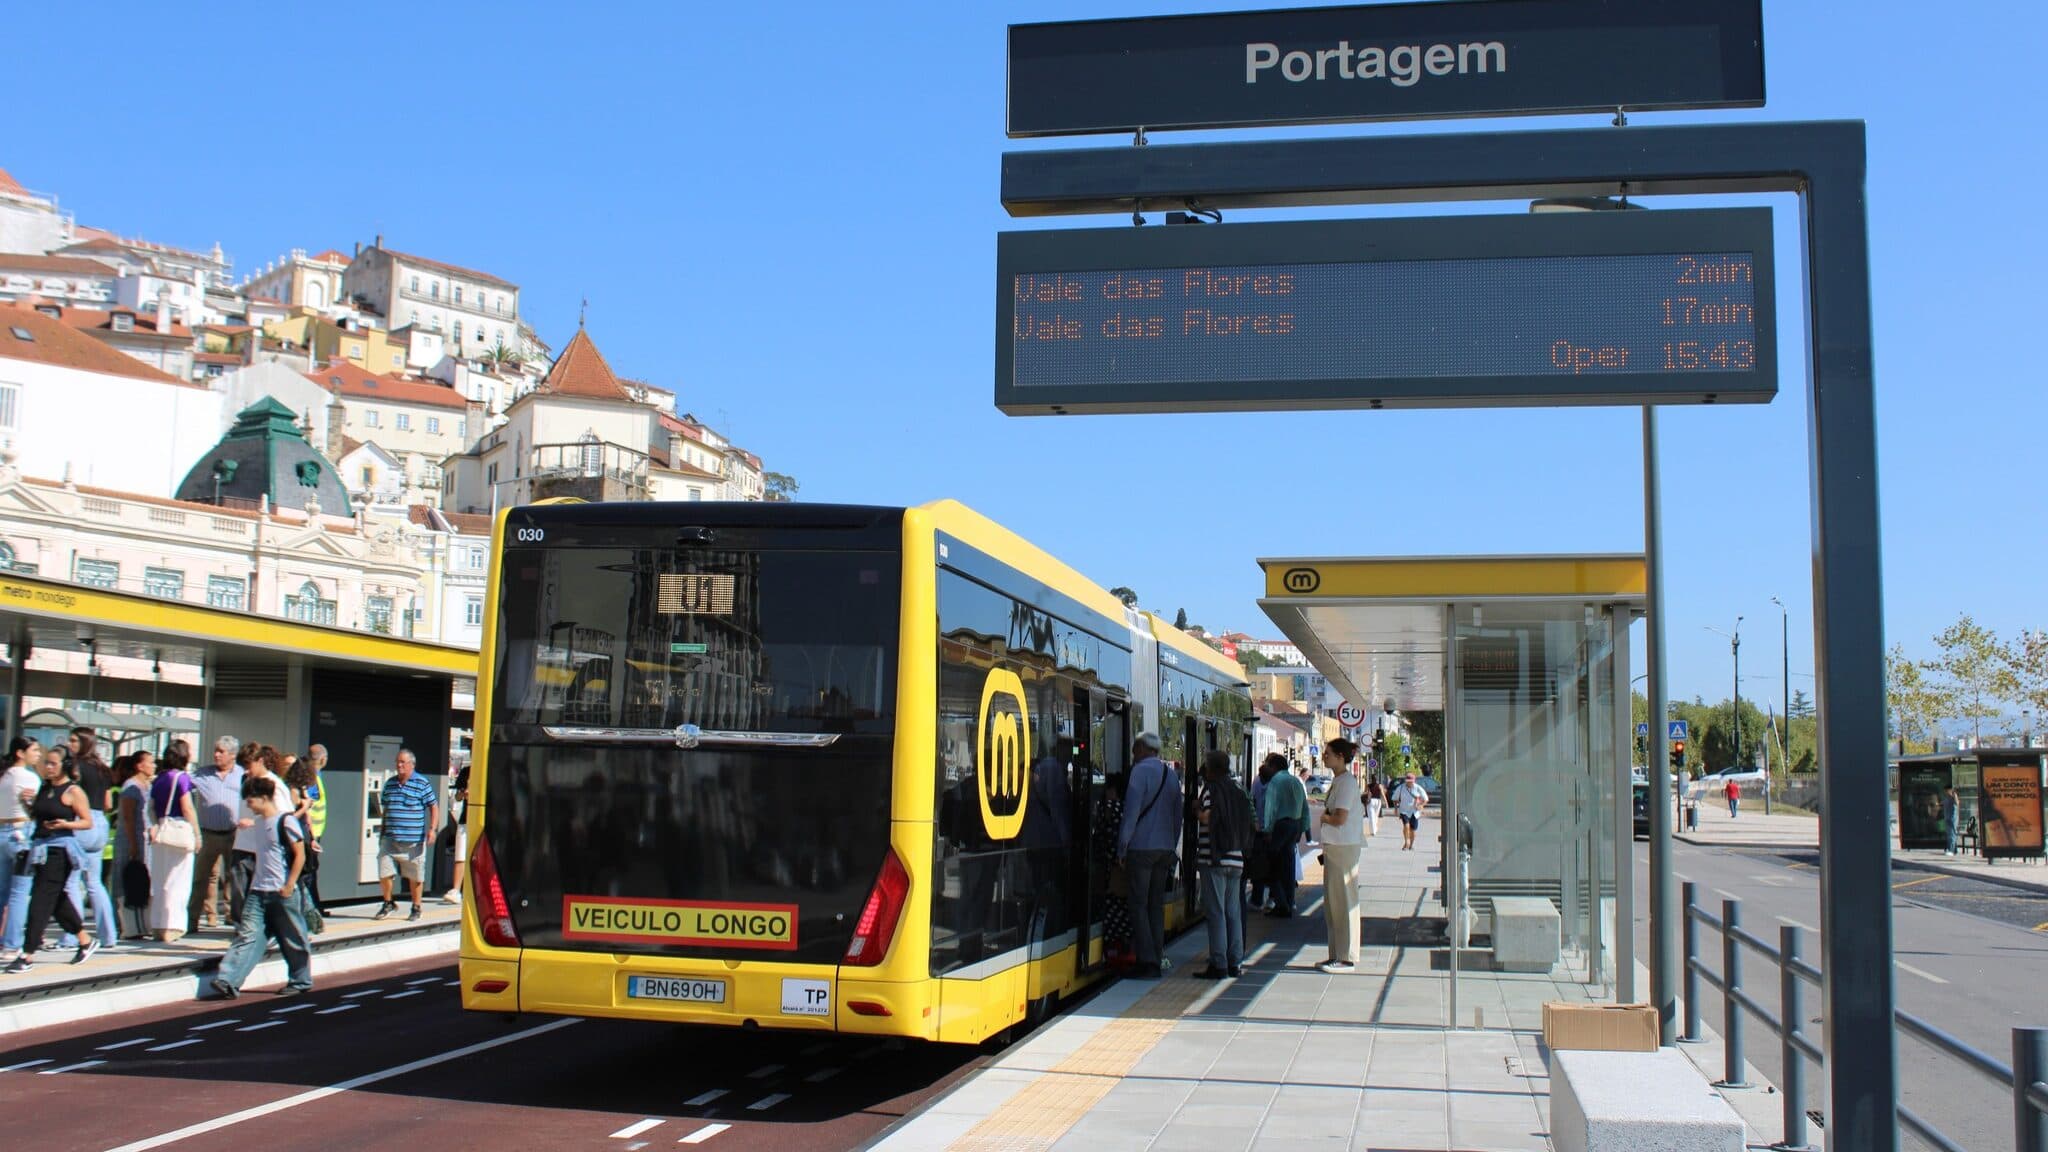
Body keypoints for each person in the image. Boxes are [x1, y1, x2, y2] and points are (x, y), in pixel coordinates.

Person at [207, 776, 312, 999]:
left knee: (292, 938)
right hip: (259, 890)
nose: (248, 805)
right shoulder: (259, 823)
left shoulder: (287, 822)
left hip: (283, 891)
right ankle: (228, 980)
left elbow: (299, 855)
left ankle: (301, 980)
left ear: (264, 798)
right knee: (248, 934)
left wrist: (290, 884)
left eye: (251, 800)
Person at [4, 749, 98, 972]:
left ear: (65, 765)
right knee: (57, 900)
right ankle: (85, 941)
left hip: (60, 851)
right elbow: (39, 815)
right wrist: (27, 804)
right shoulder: (45, 788)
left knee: (40, 900)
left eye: (53, 764)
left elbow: (87, 822)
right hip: (39, 849)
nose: (48, 767)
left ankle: (27, 954)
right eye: (46, 763)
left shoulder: (73, 791)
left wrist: (65, 825)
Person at [1115, 732, 1180, 979]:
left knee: (1138, 905)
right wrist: (1171, 845)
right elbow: (1177, 815)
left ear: (1143, 748)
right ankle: (1157, 954)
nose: (1133, 755)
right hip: (1164, 849)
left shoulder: (1139, 773)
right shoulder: (1170, 774)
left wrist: (1122, 848)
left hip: (1141, 849)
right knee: (1155, 905)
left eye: (1134, 750)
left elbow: (1131, 814)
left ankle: (1147, 961)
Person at [1196, 750, 1253, 980]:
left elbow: (1207, 818)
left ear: (1210, 769)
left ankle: (1218, 963)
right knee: (1233, 911)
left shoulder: (1212, 789)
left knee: (1216, 911)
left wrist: (1196, 809)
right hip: (1236, 858)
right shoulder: (1238, 790)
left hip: (1214, 858)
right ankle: (1235, 962)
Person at [63, 728, 118, 952]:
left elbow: (68, 797)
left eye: (74, 740)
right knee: (95, 883)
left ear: (84, 743)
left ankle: (71, 936)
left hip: (80, 822)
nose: (70, 743)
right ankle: (109, 935)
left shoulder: (75, 768)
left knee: (71, 882)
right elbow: (108, 804)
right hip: (100, 824)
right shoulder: (103, 769)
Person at [1316, 739, 1365, 974]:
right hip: (1337, 847)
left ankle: (1346, 957)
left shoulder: (1346, 783)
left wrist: (1325, 818)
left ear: (1341, 757)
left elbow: (1339, 818)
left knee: (1343, 900)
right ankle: (1336, 954)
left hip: (1343, 847)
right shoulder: (1339, 781)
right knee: (1334, 903)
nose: (1324, 756)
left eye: (1328, 753)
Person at [187, 736, 245, 932]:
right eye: (216, 750)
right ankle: (193, 918)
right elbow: (182, 787)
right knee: (201, 877)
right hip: (208, 834)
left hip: (233, 833)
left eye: (221, 751)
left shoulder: (241, 775)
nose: (216, 755)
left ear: (232, 755)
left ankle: (232, 915)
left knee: (233, 876)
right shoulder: (202, 774)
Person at [376, 749, 439, 921]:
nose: (399, 765)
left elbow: (433, 806)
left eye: (403, 762)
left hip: (413, 841)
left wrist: (432, 829)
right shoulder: (389, 784)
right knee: (384, 871)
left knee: (415, 875)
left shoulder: (422, 783)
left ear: (412, 764)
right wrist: (382, 833)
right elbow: (386, 810)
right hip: (390, 838)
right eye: (398, 761)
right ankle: (388, 902)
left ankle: (416, 907)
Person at [147, 741, 198, 942]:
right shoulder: (182, 778)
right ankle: (173, 925)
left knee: (160, 880)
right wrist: (197, 832)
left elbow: (150, 807)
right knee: (179, 881)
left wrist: (156, 824)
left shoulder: (159, 779)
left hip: (161, 829)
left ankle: (158, 925)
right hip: (179, 829)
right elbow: (187, 807)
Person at [228, 743, 279, 923]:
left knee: (256, 892)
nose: (246, 770)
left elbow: (282, 816)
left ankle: (253, 926)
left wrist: (253, 822)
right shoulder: (246, 780)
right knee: (239, 888)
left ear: (260, 761)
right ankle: (241, 924)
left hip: (260, 847)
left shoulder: (274, 784)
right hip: (242, 844)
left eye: (249, 766)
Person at [1, 739, 42, 956]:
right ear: (20, 753)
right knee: (19, 893)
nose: (38, 754)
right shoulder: (29, 778)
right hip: (21, 833)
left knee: (1, 892)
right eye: (34, 750)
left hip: (2, 831)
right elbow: (37, 809)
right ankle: (11, 944)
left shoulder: (3, 775)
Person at [1260, 752, 1309, 916]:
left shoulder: (1275, 782)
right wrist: (1302, 828)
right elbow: (1305, 808)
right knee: (1288, 867)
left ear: (1273, 766)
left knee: (1272, 866)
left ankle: (1281, 905)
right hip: (1294, 825)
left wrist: (1267, 830)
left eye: (1268, 764)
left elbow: (1271, 807)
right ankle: (1290, 901)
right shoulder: (1296, 781)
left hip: (1280, 826)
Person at [113, 750, 155, 941]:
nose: (153, 766)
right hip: (131, 838)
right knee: (126, 880)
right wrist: (132, 844)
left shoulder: (148, 785)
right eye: (150, 762)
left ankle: (141, 923)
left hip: (145, 838)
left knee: (141, 881)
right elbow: (129, 818)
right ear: (139, 765)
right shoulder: (130, 786)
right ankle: (123, 923)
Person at [283, 754, 325, 932]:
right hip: (295, 838)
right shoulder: (292, 790)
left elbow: (301, 817)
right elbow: (293, 817)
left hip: (301, 839)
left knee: (302, 880)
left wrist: (313, 838)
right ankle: (310, 919)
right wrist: (305, 806)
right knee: (301, 881)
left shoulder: (299, 789)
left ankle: (309, 919)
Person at [1392, 773, 1429, 850]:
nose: (1409, 783)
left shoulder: (1418, 788)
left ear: (1414, 781)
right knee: (1406, 826)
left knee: (1413, 830)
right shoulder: (1401, 787)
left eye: (1410, 781)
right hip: (1404, 810)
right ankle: (1406, 843)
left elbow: (1426, 799)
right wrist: (1396, 809)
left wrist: (1421, 805)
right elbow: (1395, 799)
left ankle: (1411, 845)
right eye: (1407, 781)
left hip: (1414, 812)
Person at [1942, 783, 1962, 856]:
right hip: (1947, 817)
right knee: (1949, 834)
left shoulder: (1954, 797)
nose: (1946, 792)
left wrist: (1955, 795)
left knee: (1952, 834)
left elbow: (1957, 803)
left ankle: (1951, 850)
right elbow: (1943, 803)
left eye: (1947, 790)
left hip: (1952, 819)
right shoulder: (1947, 798)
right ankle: (1954, 849)